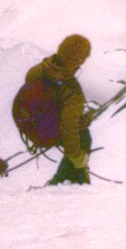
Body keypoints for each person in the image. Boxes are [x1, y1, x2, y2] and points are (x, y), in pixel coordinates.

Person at [25, 34, 93, 185]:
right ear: (79, 60)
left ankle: (64, 178)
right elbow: (70, 127)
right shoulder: (72, 89)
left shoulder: (36, 70)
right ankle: (67, 180)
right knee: (83, 137)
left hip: (33, 125)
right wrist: (78, 158)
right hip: (52, 129)